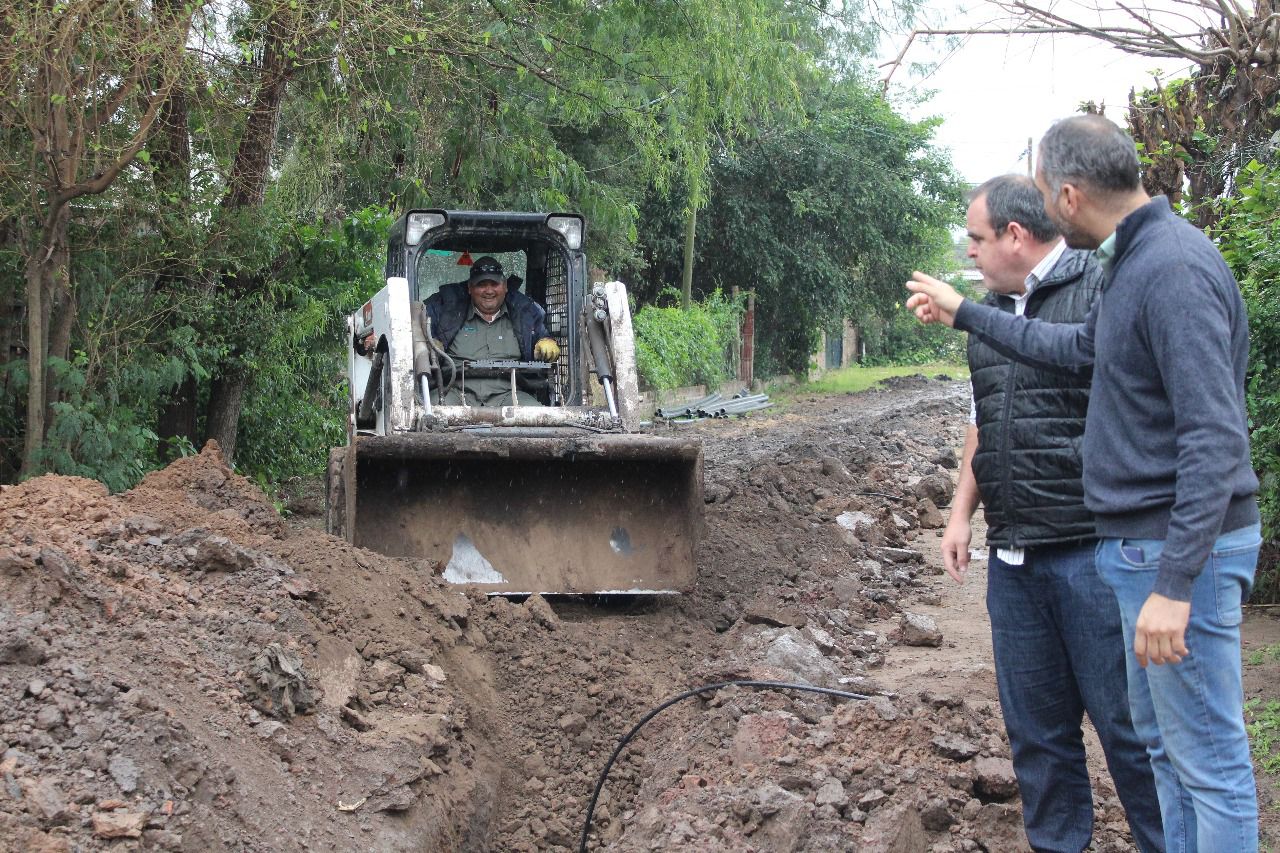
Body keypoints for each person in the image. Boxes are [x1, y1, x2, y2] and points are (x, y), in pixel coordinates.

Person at [906, 115, 1261, 852]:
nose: (1042, 208)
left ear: (1066, 197)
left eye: (1043, 192)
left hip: (1154, 550)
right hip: (1110, 549)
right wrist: (968, 313)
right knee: (1164, 753)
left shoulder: (1169, 270)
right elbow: (1072, 350)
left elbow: (1213, 436)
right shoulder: (1133, 265)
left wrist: (1175, 579)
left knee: (1203, 763)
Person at [946, 174, 1163, 853]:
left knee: (1127, 728)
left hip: (1092, 553)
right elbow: (984, 419)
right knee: (1037, 736)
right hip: (1014, 559)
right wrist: (961, 513)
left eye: (977, 238)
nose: (971, 252)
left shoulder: (1099, 289)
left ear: (1015, 234)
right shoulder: (985, 315)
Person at [423, 255, 560, 407]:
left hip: (510, 393)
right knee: (434, 412)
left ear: (505, 286)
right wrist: (431, 344)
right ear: (470, 288)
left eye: (494, 284)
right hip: (454, 391)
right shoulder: (445, 311)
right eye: (481, 284)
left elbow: (541, 337)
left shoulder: (524, 314)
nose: (489, 291)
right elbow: (421, 333)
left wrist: (546, 342)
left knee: (538, 416)